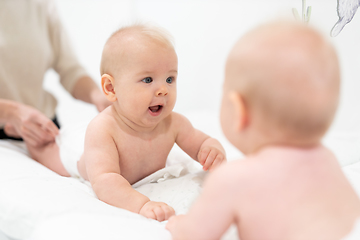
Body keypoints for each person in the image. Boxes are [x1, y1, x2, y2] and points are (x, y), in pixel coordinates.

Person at [166, 21, 360, 240]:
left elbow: (195, 235)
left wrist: (181, 226)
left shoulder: (232, 178)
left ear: (240, 111)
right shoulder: (328, 161)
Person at [26, 24, 227, 222]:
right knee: (52, 152)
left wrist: (212, 151)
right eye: (148, 80)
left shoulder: (173, 123)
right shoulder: (103, 130)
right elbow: (105, 181)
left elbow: (202, 142)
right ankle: (34, 144)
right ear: (111, 88)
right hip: (80, 152)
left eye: (169, 79)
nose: (163, 90)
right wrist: (141, 204)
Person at [0, 0, 110, 147]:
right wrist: (10, 112)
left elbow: (70, 69)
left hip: (45, 128)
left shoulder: (40, 4)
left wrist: (97, 95)